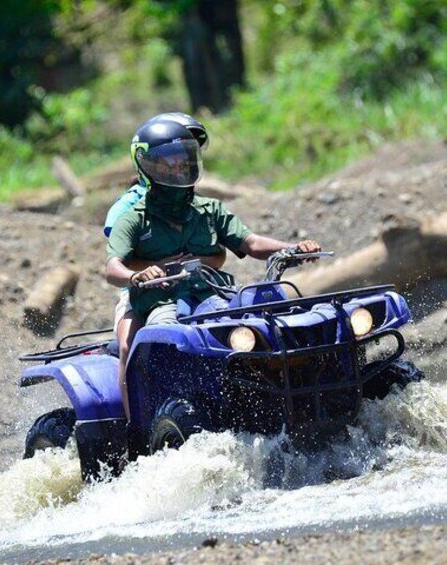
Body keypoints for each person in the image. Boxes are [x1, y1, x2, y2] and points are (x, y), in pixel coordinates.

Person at [106, 117, 321, 418]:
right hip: (159, 300)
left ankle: (282, 397)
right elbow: (113, 267)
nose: (179, 168)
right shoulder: (130, 215)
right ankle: (145, 426)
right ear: (148, 165)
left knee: (249, 323)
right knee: (157, 340)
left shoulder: (210, 209)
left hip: (208, 294)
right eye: (169, 163)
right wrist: (138, 275)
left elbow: (251, 242)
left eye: (184, 161)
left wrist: (291, 249)